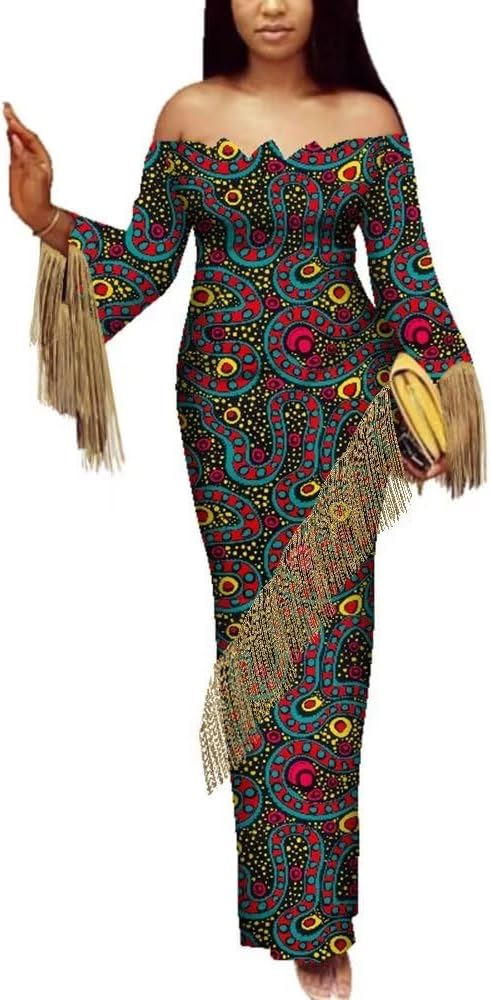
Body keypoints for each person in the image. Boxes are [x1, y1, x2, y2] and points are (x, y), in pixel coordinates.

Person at [4, 1, 486, 997]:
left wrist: (448, 396)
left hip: (342, 409)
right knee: (252, 643)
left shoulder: (370, 120)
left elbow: (406, 276)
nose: (271, 5)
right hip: (223, 413)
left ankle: (320, 926)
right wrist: (45, 216)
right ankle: (287, 914)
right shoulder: (187, 114)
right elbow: (143, 266)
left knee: (330, 648)